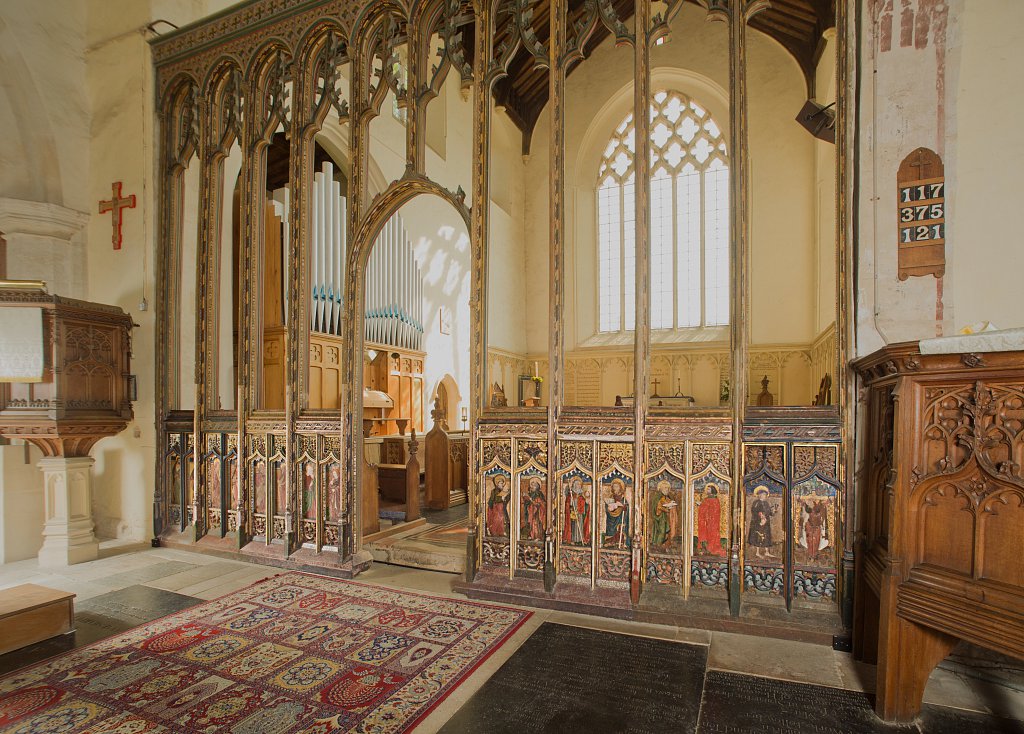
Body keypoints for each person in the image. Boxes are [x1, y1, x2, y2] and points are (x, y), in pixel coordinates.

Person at [747, 486, 776, 559]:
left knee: (767, 536)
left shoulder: (766, 503)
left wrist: (773, 511)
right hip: (758, 522)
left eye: (765, 495)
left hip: (766, 522)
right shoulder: (756, 502)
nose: (765, 496)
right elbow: (754, 511)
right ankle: (757, 552)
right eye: (763, 494)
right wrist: (761, 516)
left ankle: (767, 552)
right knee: (758, 536)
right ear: (759, 495)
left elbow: (769, 513)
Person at [696, 484, 725, 556]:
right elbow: (705, 508)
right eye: (707, 489)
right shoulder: (706, 499)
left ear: (712, 490)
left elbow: (714, 511)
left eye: (708, 489)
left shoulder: (715, 500)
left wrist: (702, 505)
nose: (707, 490)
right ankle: (705, 548)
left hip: (712, 522)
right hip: (706, 521)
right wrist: (702, 505)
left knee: (712, 534)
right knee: (705, 533)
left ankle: (711, 548)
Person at [602, 478, 630, 549]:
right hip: (611, 518)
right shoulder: (611, 497)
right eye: (614, 486)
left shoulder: (623, 498)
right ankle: (611, 542)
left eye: (617, 486)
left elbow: (626, 507)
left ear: (620, 488)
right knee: (611, 530)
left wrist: (623, 506)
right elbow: (607, 507)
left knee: (620, 529)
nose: (615, 488)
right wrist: (609, 508)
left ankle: (620, 542)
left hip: (620, 517)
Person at [562, 476, 590, 546]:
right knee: (573, 526)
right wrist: (571, 502)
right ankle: (572, 540)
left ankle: (580, 539)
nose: (578, 486)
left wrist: (586, 502)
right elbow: (567, 504)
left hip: (580, 514)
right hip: (572, 513)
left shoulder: (581, 495)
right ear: (574, 485)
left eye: (579, 484)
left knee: (579, 526)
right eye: (577, 484)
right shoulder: (570, 495)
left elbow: (585, 505)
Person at [650, 480, 678, 549]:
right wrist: (666, 508)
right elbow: (657, 507)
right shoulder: (657, 497)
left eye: (668, 488)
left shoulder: (667, 497)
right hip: (660, 518)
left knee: (666, 533)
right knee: (661, 532)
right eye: (665, 488)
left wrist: (670, 505)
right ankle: (658, 545)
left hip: (666, 518)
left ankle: (665, 546)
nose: (667, 490)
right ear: (661, 488)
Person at [521, 477, 546, 541]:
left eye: (533, 486)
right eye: (531, 485)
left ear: (537, 487)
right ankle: (531, 535)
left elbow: (540, 504)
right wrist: (525, 498)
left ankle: (537, 536)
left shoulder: (539, 494)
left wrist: (531, 500)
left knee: (536, 524)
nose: (531, 487)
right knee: (530, 523)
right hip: (531, 511)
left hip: (537, 512)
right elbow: (527, 502)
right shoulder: (530, 493)